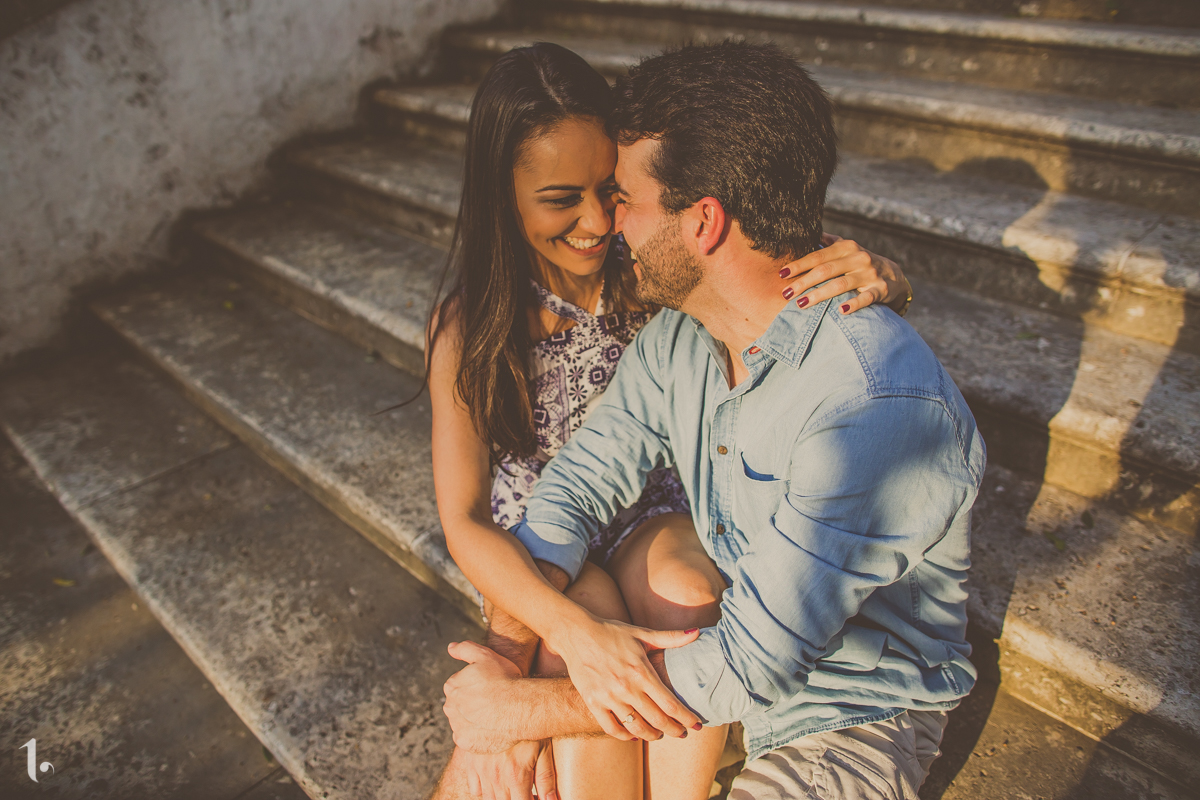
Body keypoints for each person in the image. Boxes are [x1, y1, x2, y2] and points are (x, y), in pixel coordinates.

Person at [437, 40, 984, 800]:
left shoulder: (872, 406)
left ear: (703, 222)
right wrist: (508, 658)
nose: (609, 223)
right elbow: (569, 492)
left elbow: (751, 663)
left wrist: (520, 712)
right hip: (715, 675)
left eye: (623, 197)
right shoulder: (680, 338)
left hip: (841, 715)